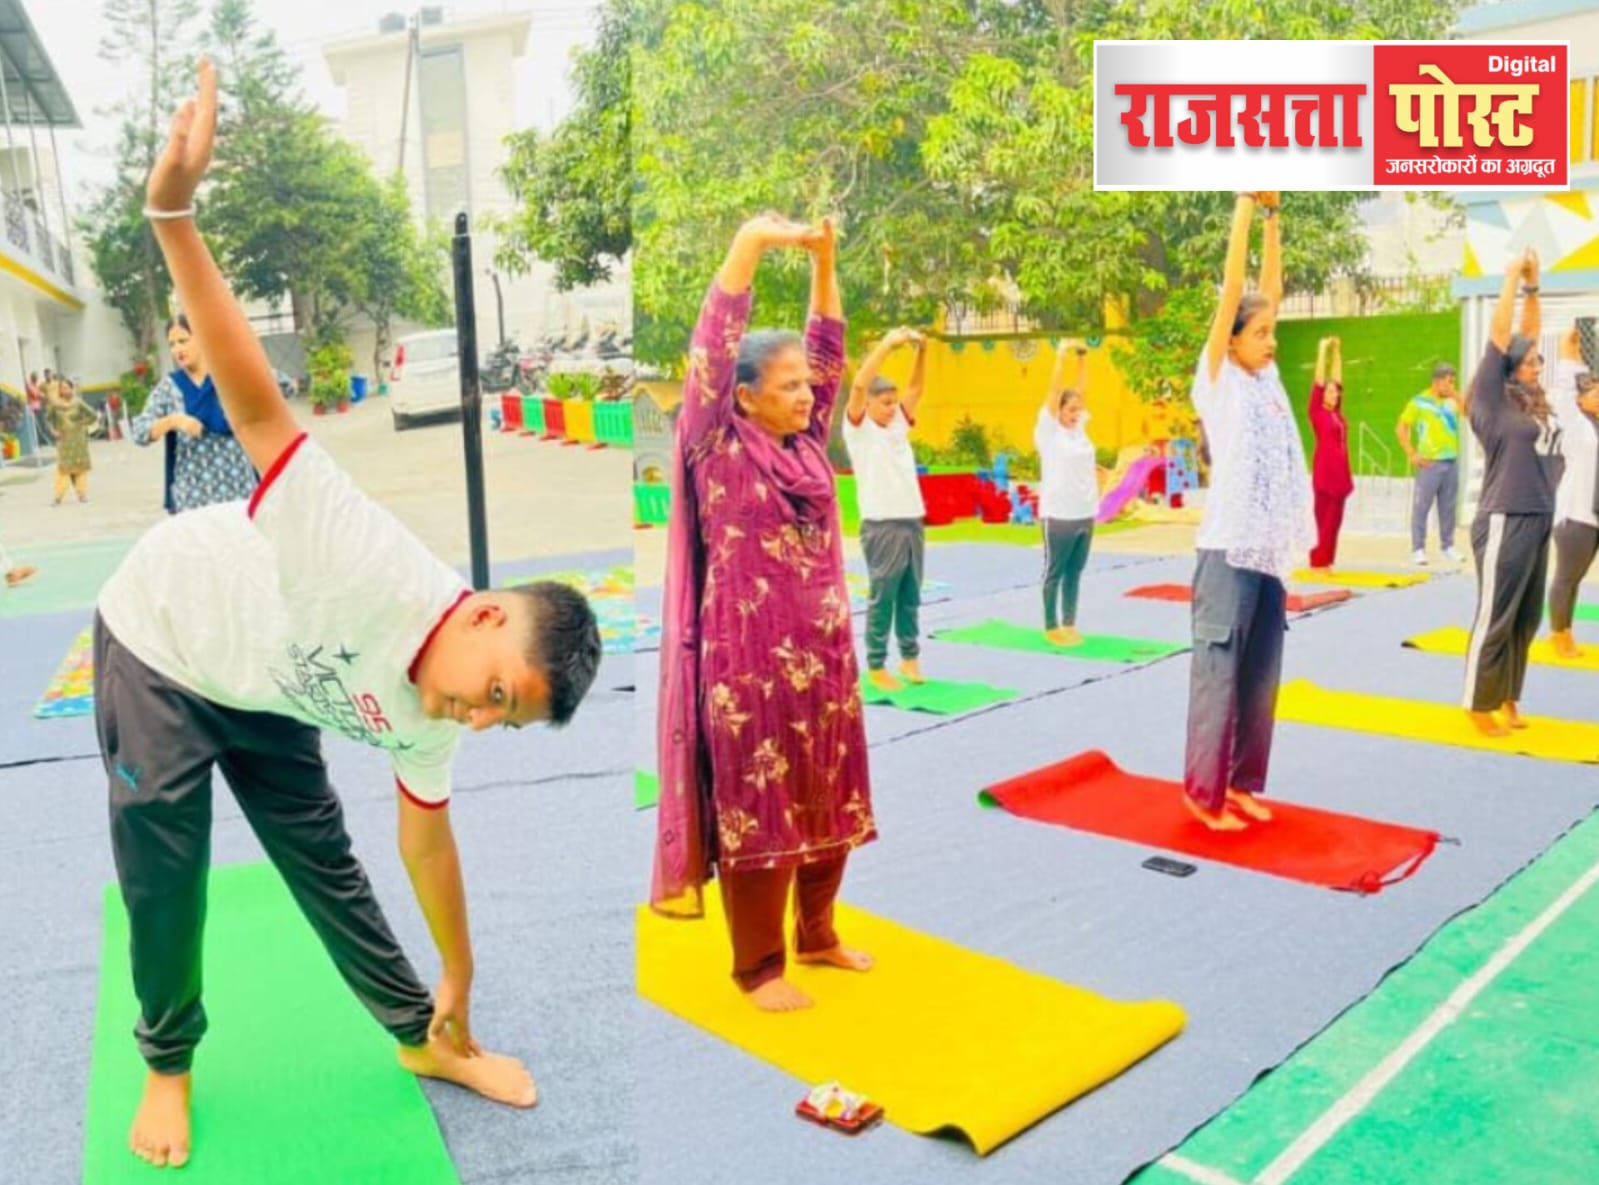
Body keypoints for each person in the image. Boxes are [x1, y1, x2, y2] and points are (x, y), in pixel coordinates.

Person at [102, 61, 603, 1170]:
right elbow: (256, 404)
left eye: (505, 720)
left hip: (269, 681)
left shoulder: (440, 712)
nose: (480, 718)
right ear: (481, 616)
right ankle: (168, 1061)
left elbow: (426, 840)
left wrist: (460, 974)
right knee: (166, 861)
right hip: (163, 636)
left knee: (324, 860)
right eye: (496, 693)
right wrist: (173, 215)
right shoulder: (362, 557)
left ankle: (421, 1036)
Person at [652, 213, 877, 1014]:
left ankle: (817, 933)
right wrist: (750, 243)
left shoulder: (806, 442)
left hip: (826, 657)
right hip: (747, 666)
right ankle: (758, 967)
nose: (806, 394)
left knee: (831, 792)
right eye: (787, 386)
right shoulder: (714, 439)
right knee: (762, 807)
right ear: (742, 395)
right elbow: (712, 344)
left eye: (805, 386)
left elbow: (829, 348)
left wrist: (824, 260)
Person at [1183, 191, 1315, 831]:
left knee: (1260, 675)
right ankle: (1203, 794)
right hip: (1226, 550)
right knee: (1219, 671)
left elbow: (1270, 289)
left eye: (1272, 333)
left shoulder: (1266, 380)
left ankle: (1240, 784)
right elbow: (1236, 287)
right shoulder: (1217, 379)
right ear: (1231, 339)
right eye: (1260, 333)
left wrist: (1273, 217)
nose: (1271, 342)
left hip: (1266, 550)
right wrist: (1242, 206)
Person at [1460, 247, 1562, 737]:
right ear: (1509, 367)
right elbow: (1503, 335)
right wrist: (1509, 279)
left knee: (1525, 618)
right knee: (1497, 615)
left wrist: (1534, 286)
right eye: (1530, 361)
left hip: (1539, 516)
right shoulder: (1491, 397)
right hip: (1505, 515)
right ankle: (1476, 702)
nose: (1537, 364)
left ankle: (1508, 697)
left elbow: (1528, 333)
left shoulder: (1530, 400)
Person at [844, 326, 928, 691]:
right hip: (882, 525)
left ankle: (910, 657)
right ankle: (877, 664)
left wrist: (922, 351)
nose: (893, 407)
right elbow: (859, 385)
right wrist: (887, 345)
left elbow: (917, 389)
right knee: (884, 595)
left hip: (912, 521)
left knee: (910, 594)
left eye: (894, 402)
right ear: (869, 404)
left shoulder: (897, 426)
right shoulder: (859, 429)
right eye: (885, 403)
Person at [132, 313, 258, 512]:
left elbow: (280, 386)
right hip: (194, 496)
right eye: (172, 344)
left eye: (183, 341)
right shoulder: (170, 387)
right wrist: (174, 421)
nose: (177, 349)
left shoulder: (228, 376)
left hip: (239, 488)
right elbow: (139, 432)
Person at [1035, 340, 1099, 646]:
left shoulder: (1079, 430)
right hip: (1058, 514)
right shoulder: (1049, 432)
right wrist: (1061, 357)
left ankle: (1070, 623)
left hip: (1084, 512)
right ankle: (1051, 625)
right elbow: (1053, 391)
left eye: (1078, 410)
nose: (1076, 414)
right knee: (1055, 571)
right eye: (1070, 409)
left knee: (1075, 571)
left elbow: (1081, 391)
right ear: (1058, 411)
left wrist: (1083, 359)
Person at [1546, 326, 1597, 659]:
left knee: (1577, 578)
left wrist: (1580, 355)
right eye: (1593, 392)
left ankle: (1565, 630)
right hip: (1576, 516)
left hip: (1594, 515)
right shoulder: (1577, 426)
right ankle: (1558, 634)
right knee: (1567, 578)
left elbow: (1582, 380)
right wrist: (1568, 351)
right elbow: (1566, 390)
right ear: (1580, 401)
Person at [1397, 363, 1463, 566]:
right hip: (1429, 463)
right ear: (1437, 381)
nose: (1451, 385)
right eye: (1449, 382)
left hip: (1451, 460)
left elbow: (1470, 412)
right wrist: (1411, 453)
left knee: (1448, 506)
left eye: (1453, 382)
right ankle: (1418, 549)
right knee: (1422, 506)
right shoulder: (1419, 402)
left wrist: (1455, 395)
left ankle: (1447, 546)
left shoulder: (1452, 401)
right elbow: (1401, 427)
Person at [1307, 336, 1353, 573]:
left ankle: (1327, 560)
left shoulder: (1337, 413)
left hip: (1341, 472)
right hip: (1325, 471)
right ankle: (1318, 561)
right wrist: (1322, 350)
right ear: (1323, 395)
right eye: (1331, 392)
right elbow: (1319, 382)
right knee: (1323, 518)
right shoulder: (1317, 411)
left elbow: (1337, 379)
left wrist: (1337, 352)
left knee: (1335, 520)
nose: (1335, 395)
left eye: (1336, 393)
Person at [45, 378, 102, 505]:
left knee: (81, 468)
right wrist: (54, 431)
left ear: (72, 388)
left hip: (79, 440)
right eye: (62, 388)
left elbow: (93, 415)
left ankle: (82, 495)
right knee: (63, 469)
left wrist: (81, 423)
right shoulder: (55, 405)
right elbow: (48, 420)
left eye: (67, 387)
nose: (64, 390)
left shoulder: (78, 403)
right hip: (64, 440)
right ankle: (58, 497)